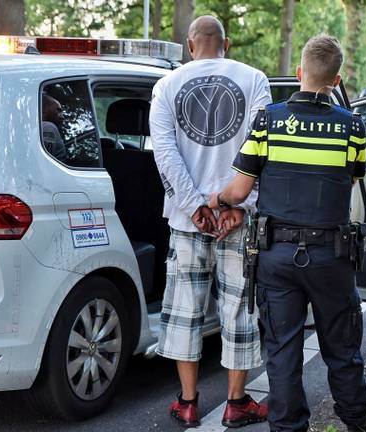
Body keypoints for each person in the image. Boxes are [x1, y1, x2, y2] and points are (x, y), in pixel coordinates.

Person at [209, 34, 366, 432]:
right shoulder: (353, 128)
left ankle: (288, 428)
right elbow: (347, 186)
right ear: (337, 80)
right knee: (343, 352)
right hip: (332, 258)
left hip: (277, 257)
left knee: (282, 353)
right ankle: (359, 425)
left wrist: (216, 200)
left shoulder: (268, 121)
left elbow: (240, 190)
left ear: (300, 72)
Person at [149, 15, 272, 428]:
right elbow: (262, 146)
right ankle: (237, 404)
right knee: (239, 309)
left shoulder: (166, 86)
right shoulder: (255, 79)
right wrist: (240, 203)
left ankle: (186, 402)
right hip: (238, 219)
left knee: (186, 311)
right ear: (227, 43)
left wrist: (195, 207)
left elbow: (164, 153)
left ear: (189, 45)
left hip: (188, 222)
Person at [41, 94, 68, 163]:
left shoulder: (39, 130)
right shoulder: (48, 127)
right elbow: (46, 163)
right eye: (58, 111)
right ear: (43, 110)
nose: (62, 117)